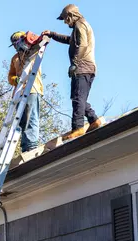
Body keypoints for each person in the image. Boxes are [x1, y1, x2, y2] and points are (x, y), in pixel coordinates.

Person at [42, 4, 102, 140]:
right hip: (86, 67)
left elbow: (82, 45)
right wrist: (53, 35)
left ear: (71, 15)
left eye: (65, 18)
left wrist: (75, 63)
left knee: (78, 98)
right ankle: (94, 120)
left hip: (83, 67)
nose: (65, 22)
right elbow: (70, 41)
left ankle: (78, 127)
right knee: (79, 97)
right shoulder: (79, 27)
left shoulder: (80, 24)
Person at [8, 31, 43, 152]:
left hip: (32, 89)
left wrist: (32, 39)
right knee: (22, 121)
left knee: (31, 118)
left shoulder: (34, 51)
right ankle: (25, 147)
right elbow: (10, 76)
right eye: (14, 44)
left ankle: (31, 145)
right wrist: (15, 80)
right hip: (18, 93)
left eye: (17, 43)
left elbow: (40, 42)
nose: (15, 47)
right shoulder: (15, 58)